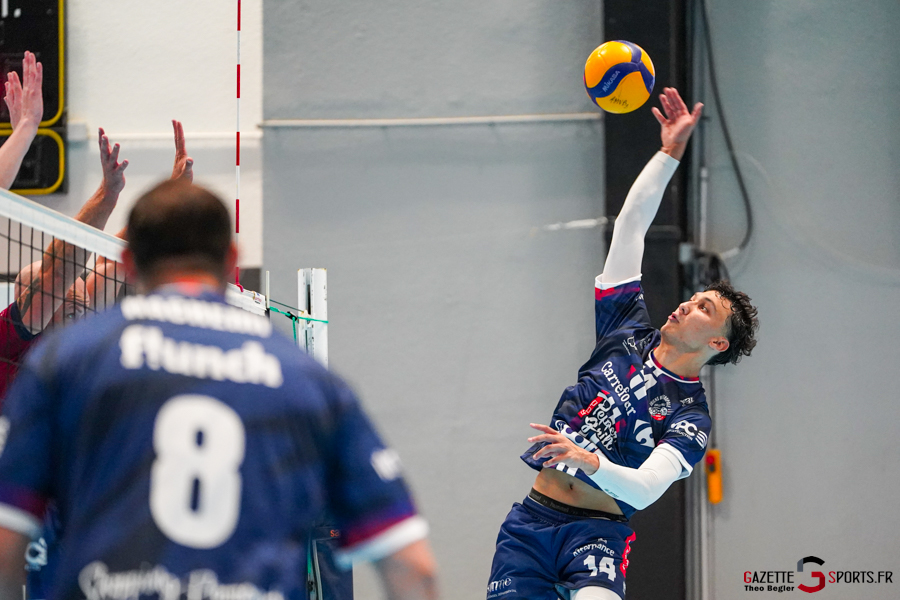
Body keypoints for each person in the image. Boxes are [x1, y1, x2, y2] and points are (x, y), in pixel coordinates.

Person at [0, 179, 438, 600]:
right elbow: (411, 566)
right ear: (232, 262)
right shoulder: (305, 378)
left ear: (129, 262)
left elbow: (7, 548)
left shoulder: (67, 364)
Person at [486, 88, 759, 600]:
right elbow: (630, 226)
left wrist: (590, 462)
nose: (686, 305)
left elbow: (645, 488)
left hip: (597, 534)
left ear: (718, 342)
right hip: (530, 524)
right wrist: (668, 152)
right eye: (693, 297)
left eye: (705, 308)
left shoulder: (690, 417)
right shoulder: (624, 327)